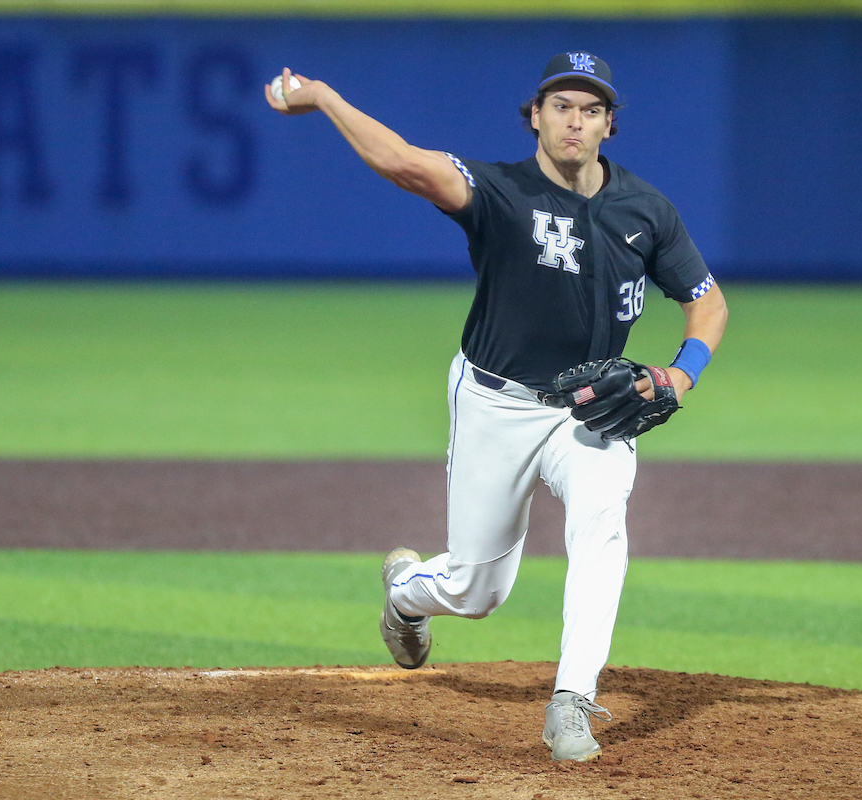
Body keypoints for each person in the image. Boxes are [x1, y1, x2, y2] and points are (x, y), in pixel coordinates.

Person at [266, 51, 728, 762]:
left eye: (591, 109)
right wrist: (325, 96)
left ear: (609, 124)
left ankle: (571, 703)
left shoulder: (645, 210)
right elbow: (401, 162)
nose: (575, 121)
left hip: (589, 411)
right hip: (495, 403)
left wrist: (682, 374)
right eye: (562, 106)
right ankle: (407, 592)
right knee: (478, 588)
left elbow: (707, 303)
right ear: (536, 117)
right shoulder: (498, 191)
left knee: (603, 525)